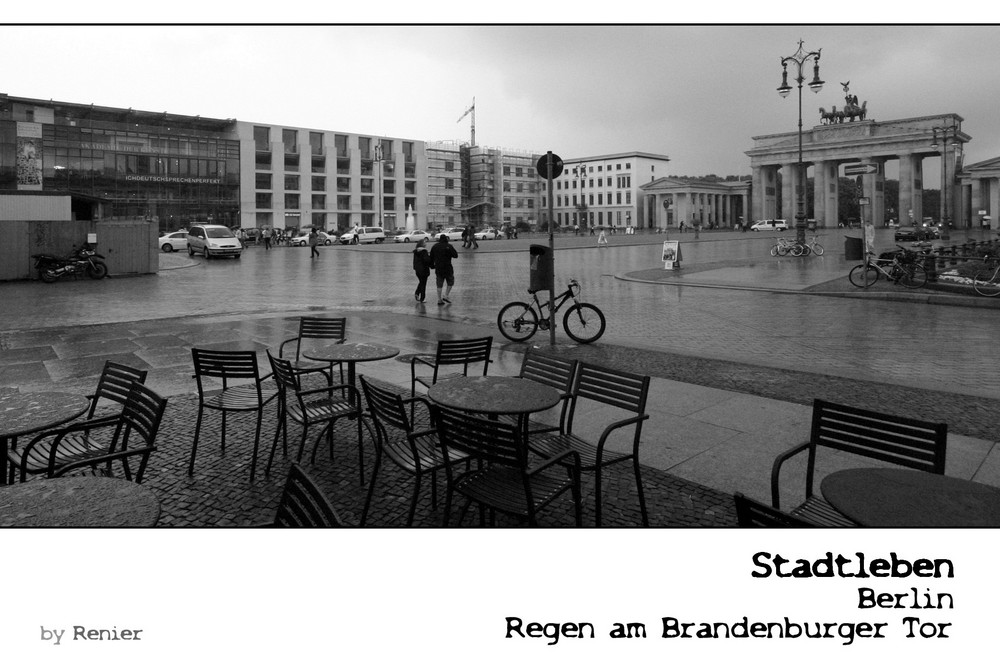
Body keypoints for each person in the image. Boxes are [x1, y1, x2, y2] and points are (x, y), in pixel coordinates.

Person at [429, 233, 458, 305]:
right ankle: (446, 295)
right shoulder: (449, 246)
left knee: (439, 284)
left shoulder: (435, 246)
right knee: (450, 282)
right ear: (446, 239)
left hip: (438, 268)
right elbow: (455, 255)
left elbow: (431, 257)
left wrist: (432, 265)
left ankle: (439, 299)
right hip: (448, 267)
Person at [412, 238, 432, 302]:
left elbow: (415, 261)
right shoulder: (424, 251)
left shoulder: (416, 251)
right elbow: (426, 260)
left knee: (421, 282)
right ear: (422, 244)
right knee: (423, 284)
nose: (426, 243)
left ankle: (417, 293)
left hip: (417, 270)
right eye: (424, 242)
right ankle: (422, 298)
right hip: (424, 269)